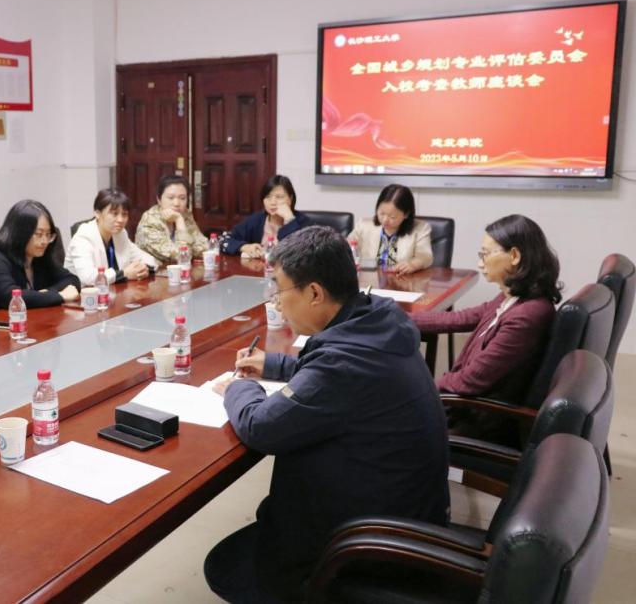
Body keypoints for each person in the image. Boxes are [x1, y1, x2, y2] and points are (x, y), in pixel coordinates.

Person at [205, 226, 449, 602]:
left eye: (279, 291)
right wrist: (274, 365)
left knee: (224, 567)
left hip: (366, 547)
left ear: (315, 293)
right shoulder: (377, 320)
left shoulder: (343, 364)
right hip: (403, 514)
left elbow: (260, 426)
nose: (276, 303)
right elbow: (328, 377)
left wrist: (238, 388)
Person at [413, 214, 561, 409]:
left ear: (514, 256)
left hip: (476, 416)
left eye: (485, 254)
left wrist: (415, 391)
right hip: (464, 404)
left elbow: (469, 381)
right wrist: (395, 316)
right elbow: (458, 318)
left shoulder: (527, 315)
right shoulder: (514, 297)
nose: (480, 263)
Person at [0, 200, 81, 314]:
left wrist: (46, 293)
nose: (45, 241)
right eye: (38, 234)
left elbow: (72, 280)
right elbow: (10, 297)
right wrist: (59, 296)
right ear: (20, 233)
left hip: (28, 321)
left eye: (48, 234)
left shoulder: (40, 257)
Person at [65, 188, 158, 286]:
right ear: (97, 213)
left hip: (111, 290)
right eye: (114, 214)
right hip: (81, 292)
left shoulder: (120, 233)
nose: (120, 220)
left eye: (124, 214)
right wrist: (124, 273)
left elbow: (148, 259)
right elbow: (87, 277)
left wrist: (143, 269)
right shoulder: (83, 237)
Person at [347, 183, 433, 274]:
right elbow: (345, 247)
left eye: (392, 217)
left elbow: (425, 256)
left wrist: (413, 264)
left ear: (406, 214)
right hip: (368, 278)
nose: (385, 220)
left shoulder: (421, 229)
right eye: (382, 213)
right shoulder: (363, 226)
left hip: (402, 279)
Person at [222, 175, 308, 258]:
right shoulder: (256, 220)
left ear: (290, 199)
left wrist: (289, 219)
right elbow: (224, 240)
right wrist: (243, 247)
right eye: (268, 197)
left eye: (279, 197)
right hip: (257, 267)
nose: (272, 202)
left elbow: (301, 252)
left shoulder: (305, 223)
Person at [134, 175, 209, 264]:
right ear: (159, 199)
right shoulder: (150, 222)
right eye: (170, 198)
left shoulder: (185, 214)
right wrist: (179, 222)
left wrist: (179, 220)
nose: (176, 203)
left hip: (179, 269)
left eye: (182, 198)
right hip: (154, 271)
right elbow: (183, 256)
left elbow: (204, 247)